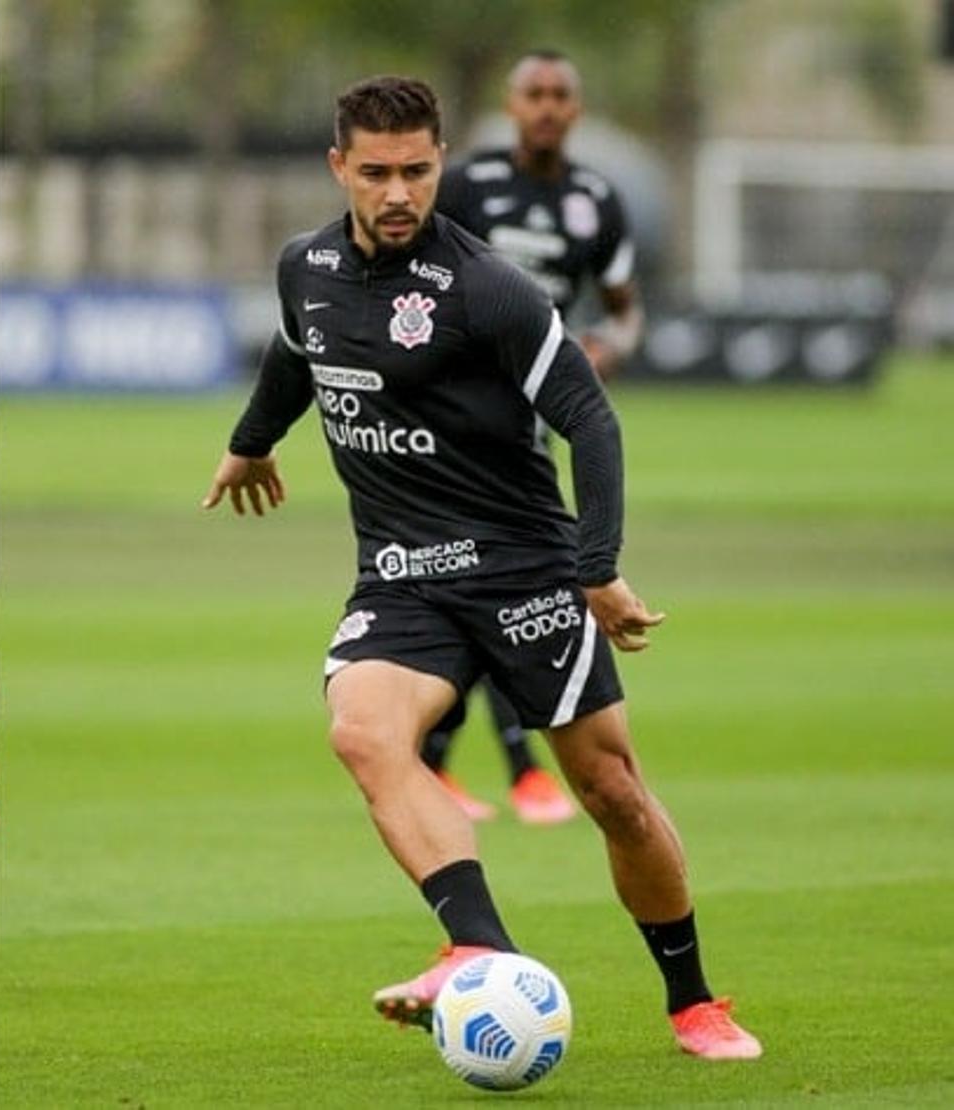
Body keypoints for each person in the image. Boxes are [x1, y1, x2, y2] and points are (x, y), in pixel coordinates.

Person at [200, 76, 759, 1059]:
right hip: (403, 576)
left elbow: (589, 417)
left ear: (441, 163)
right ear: (341, 169)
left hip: (525, 573)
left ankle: (695, 1001)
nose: (398, 192)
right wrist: (251, 443)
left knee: (613, 793)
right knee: (363, 733)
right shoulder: (307, 267)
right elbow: (298, 358)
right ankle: (477, 949)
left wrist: (597, 566)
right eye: (376, 173)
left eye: (417, 170)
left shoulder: (487, 287)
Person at [417, 49, 646, 826]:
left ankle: (452, 762)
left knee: (499, 579)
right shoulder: (465, 186)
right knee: (507, 578)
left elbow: (623, 308)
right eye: (533, 94)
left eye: (560, 95)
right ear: (512, 106)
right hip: (459, 417)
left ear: (575, 109)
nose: (546, 106)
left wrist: (609, 347)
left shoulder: (595, 200)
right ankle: (515, 769)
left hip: (537, 416)